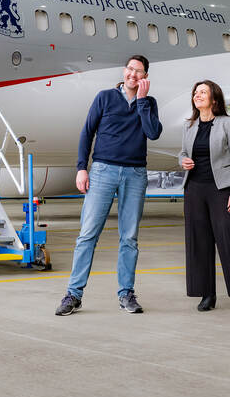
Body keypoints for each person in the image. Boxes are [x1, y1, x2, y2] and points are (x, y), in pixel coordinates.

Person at [55, 55, 162, 315]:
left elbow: (153, 132)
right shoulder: (105, 97)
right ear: (124, 71)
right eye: (130, 69)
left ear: (145, 77)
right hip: (103, 171)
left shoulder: (149, 103)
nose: (133, 75)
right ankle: (73, 294)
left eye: (139, 72)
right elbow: (87, 131)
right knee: (87, 234)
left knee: (129, 237)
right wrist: (82, 168)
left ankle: (126, 294)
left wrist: (143, 102)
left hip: (135, 173)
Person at [178, 80, 230, 312]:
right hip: (194, 188)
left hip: (221, 189)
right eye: (195, 92)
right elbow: (183, 152)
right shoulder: (189, 126)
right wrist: (182, 161)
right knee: (199, 243)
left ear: (214, 99)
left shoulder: (228, 124)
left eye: (203, 92)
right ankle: (207, 294)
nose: (198, 95)